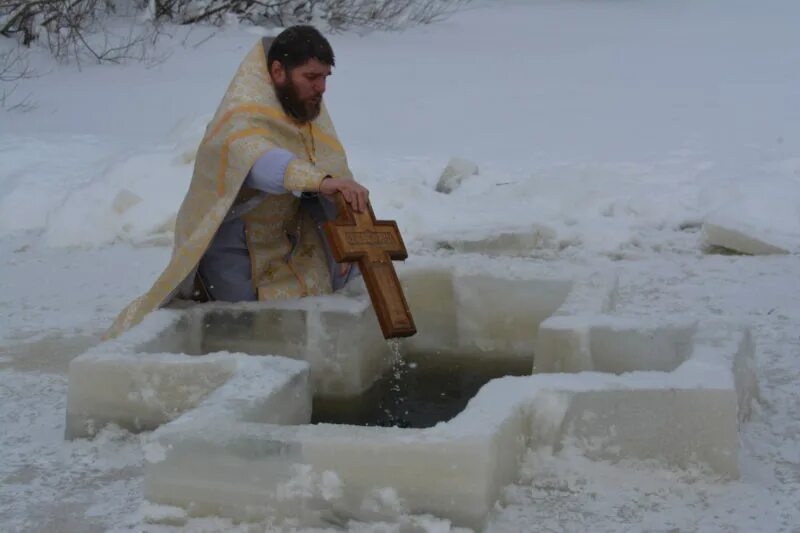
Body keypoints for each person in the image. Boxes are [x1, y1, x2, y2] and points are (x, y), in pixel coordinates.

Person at [106, 25, 367, 338]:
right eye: (311, 77)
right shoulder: (241, 113)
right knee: (245, 328)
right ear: (278, 71)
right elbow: (258, 161)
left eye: (325, 77)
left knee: (340, 289)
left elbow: (332, 169)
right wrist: (321, 182)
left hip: (290, 241)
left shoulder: (307, 110)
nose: (321, 88)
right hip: (236, 247)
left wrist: (347, 234)